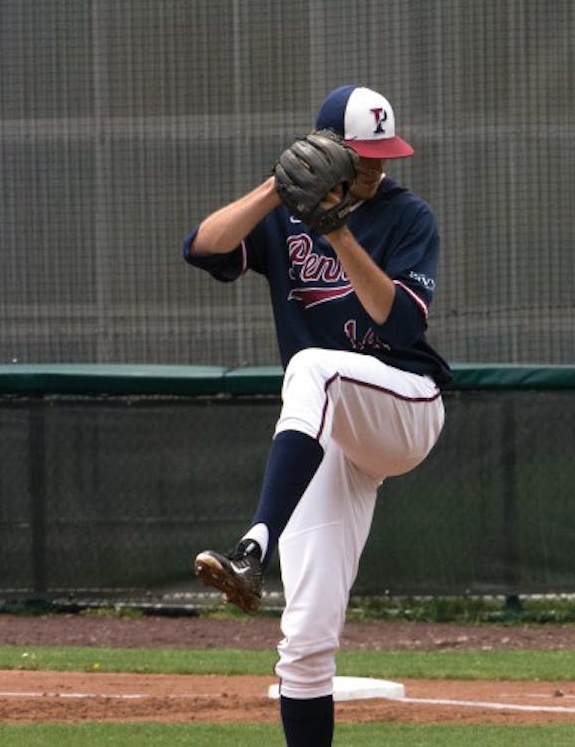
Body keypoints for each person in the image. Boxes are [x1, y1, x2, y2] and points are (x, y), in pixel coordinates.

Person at [182, 85, 450, 745]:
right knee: (303, 641)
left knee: (311, 367)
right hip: (331, 428)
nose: (378, 167)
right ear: (325, 152)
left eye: (384, 155)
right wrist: (278, 189)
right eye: (362, 157)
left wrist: (337, 231)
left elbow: (399, 321)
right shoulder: (284, 217)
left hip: (405, 405)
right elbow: (202, 246)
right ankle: (259, 567)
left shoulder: (409, 217)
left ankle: (253, 547)